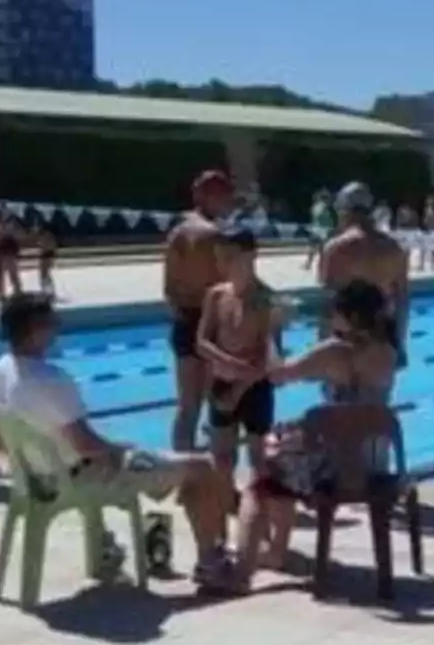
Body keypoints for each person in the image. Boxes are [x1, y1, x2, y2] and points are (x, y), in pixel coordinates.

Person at [0, 293, 236, 588]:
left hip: (35, 479)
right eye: (53, 321)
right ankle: (210, 564)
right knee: (200, 466)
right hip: (80, 476)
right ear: (37, 329)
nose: (58, 327)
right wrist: (118, 449)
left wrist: (35, 457)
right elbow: (86, 445)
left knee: (145, 460)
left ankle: (104, 552)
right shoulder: (51, 379)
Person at [232, 278, 400, 582]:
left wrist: (272, 329)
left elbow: (277, 375)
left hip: (333, 470)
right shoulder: (388, 352)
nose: (329, 319)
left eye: (334, 313)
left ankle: (244, 567)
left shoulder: (335, 351)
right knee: (285, 451)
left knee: (262, 473)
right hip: (375, 465)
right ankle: (278, 552)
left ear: (348, 316)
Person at [196, 226, 278, 491]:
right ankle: (225, 503)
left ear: (252, 255)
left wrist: (239, 387)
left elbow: (267, 354)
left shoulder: (266, 299)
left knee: (258, 456)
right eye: (220, 257)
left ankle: (260, 509)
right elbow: (202, 342)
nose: (223, 264)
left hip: (255, 387)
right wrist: (230, 366)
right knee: (221, 457)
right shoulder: (217, 294)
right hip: (222, 383)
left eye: (230, 257)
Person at [163, 171, 236, 451]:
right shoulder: (213, 235)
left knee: (187, 407)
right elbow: (228, 285)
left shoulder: (177, 232)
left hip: (183, 321)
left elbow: (168, 289)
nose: (229, 203)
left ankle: (183, 470)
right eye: (226, 197)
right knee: (220, 402)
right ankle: (215, 476)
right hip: (210, 324)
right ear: (213, 197)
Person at [318, 182, 410, 372]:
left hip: (346, 341)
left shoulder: (336, 249)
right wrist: (400, 344)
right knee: (377, 400)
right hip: (383, 340)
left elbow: (328, 304)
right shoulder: (394, 248)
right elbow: (402, 302)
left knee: (340, 399)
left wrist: (321, 349)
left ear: (344, 211)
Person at [303, 188, 334, 271]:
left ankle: (309, 264)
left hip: (318, 229)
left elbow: (315, 217)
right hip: (323, 229)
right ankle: (321, 265)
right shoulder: (325, 207)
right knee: (321, 249)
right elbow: (326, 219)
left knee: (314, 248)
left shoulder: (317, 207)